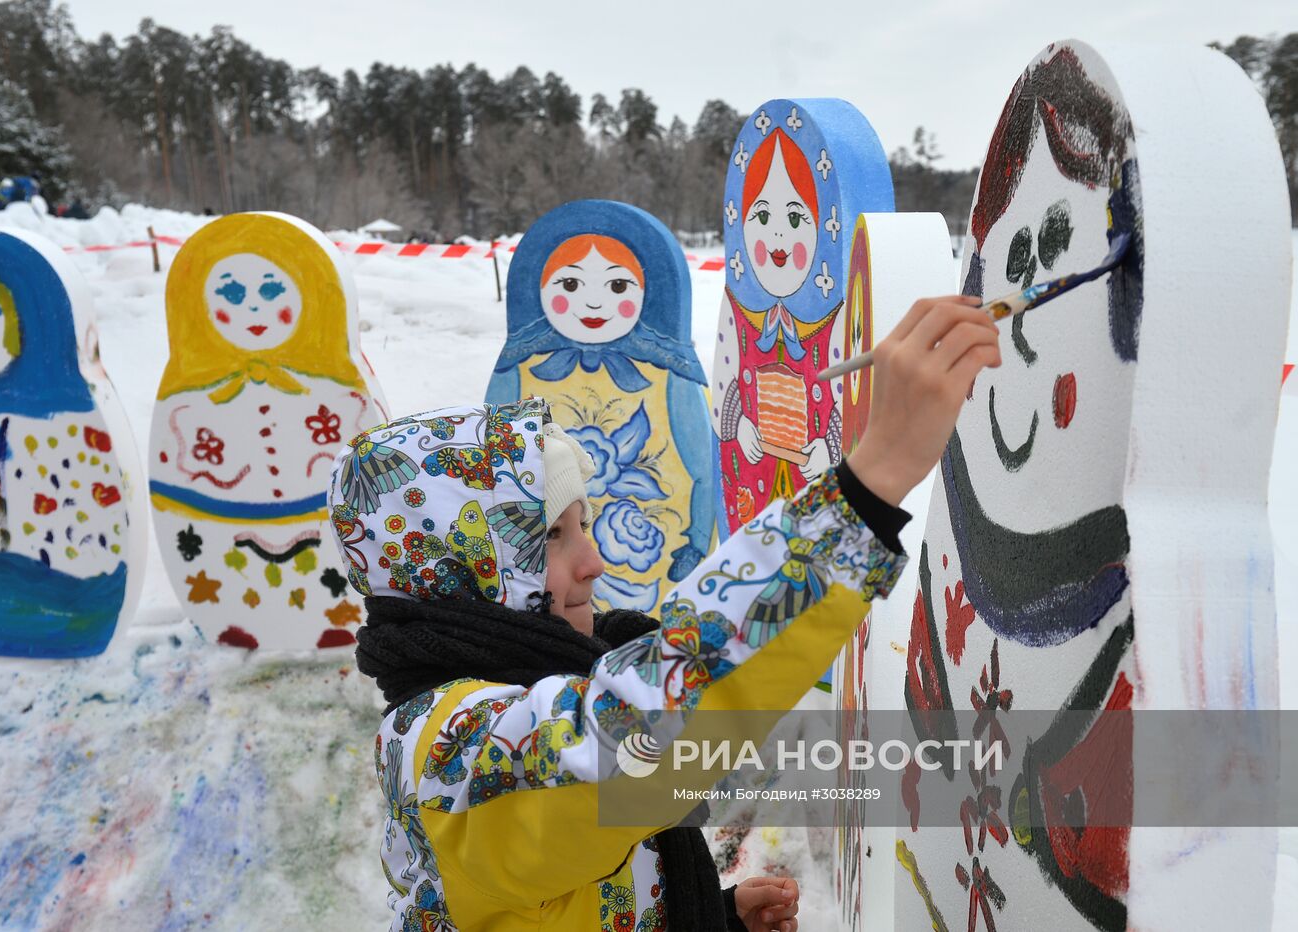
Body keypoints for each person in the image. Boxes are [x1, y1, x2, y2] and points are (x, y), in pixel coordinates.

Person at [327, 295, 1001, 930]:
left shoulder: (518, 691)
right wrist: (871, 482)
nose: (592, 563)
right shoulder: (448, 750)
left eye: (583, 525)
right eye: (553, 538)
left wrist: (702, 915)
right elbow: (628, 748)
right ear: (462, 569)